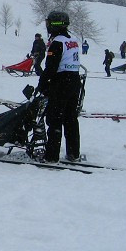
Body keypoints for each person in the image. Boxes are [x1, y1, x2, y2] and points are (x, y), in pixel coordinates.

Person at [37, 10, 81, 163]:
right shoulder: (73, 40)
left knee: (55, 120)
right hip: (75, 82)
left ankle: (51, 156)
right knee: (71, 119)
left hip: (61, 83)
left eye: (49, 23)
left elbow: (50, 68)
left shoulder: (57, 43)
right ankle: (73, 153)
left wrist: (41, 85)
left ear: (54, 25)